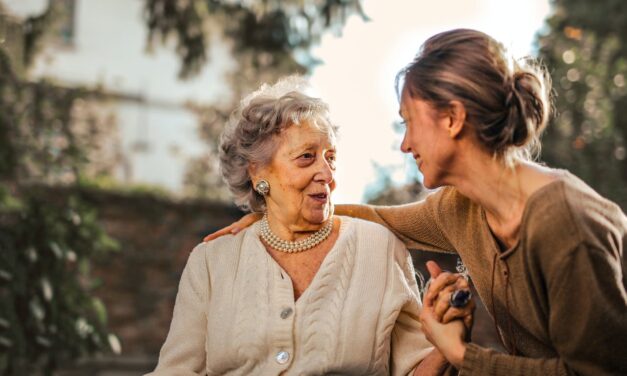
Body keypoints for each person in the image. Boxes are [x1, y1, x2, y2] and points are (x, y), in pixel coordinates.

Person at [205, 29, 627, 375]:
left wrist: (462, 355)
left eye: (409, 123)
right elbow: (377, 217)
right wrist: (275, 214)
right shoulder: (460, 208)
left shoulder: (565, 223)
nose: (405, 144)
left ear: (452, 118)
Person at [147, 77, 473, 376]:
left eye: (330, 157)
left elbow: (416, 369)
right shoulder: (211, 261)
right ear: (258, 173)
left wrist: (447, 347)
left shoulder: (379, 248)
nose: (327, 174)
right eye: (306, 157)